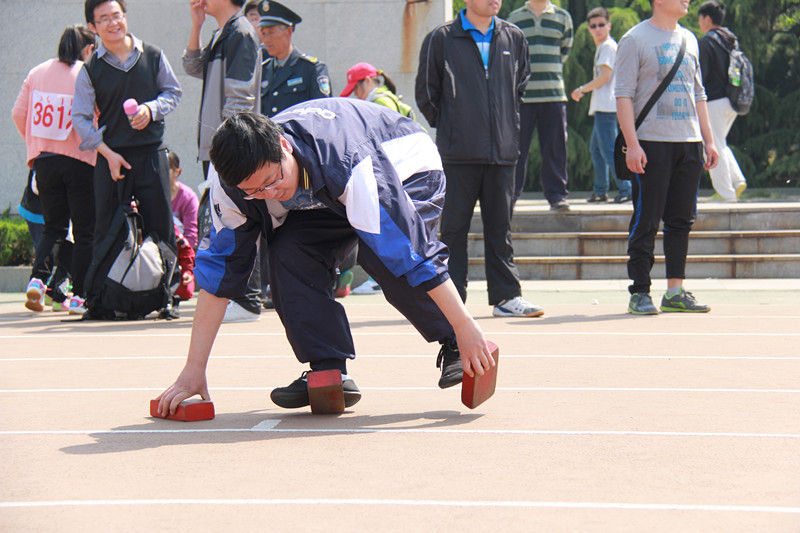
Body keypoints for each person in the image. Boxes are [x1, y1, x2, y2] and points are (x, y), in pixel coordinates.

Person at [155, 99, 496, 415]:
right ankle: (327, 368)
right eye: (254, 191)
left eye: (272, 181)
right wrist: (193, 370)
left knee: (385, 254)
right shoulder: (230, 187)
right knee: (288, 250)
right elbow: (220, 275)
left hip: (403, 165)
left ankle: (453, 341)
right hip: (322, 195)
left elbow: (410, 249)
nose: (268, 194)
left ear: (284, 147)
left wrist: (464, 325)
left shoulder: (345, 161)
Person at [415, 0, 542, 318]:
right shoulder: (442, 38)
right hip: (457, 154)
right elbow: (427, 94)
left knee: (501, 228)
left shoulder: (513, 37)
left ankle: (507, 297)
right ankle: (452, 300)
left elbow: (520, 87)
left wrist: (504, 128)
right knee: (453, 229)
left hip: (503, 152)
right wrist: (455, 127)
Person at [73, 0, 182, 319]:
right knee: (106, 226)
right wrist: (106, 153)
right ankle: (101, 301)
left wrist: (151, 110)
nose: (112, 23)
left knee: (161, 224)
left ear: (125, 17)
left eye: (116, 16)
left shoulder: (153, 55)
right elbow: (79, 118)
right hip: (111, 158)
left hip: (151, 154)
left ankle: (166, 298)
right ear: (92, 27)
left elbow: (172, 93)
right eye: (103, 19)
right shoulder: (90, 69)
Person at [615, 0, 719, 315]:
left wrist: (709, 140)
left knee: (682, 219)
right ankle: (640, 291)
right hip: (650, 142)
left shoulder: (690, 40)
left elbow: (698, 93)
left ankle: (675, 290)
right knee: (647, 218)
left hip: (688, 142)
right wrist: (632, 145)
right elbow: (623, 95)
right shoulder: (634, 39)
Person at [183, 0, 263, 323]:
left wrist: (226, 149)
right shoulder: (223, 33)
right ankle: (241, 299)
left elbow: (241, 98)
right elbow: (191, 66)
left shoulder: (241, 32)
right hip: (219, 148)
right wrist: (196, 25)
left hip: (231, 148)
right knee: (227, 219)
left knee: (239, 218)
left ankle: (248, 300)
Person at [12, 25, 97, 315]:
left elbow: (18, 113)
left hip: (44, 161)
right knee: (84, 231)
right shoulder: (86, 74)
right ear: (87, 48)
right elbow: (96, 118)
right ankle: (79, 296)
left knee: (53, 227)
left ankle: (37, 279)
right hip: (79, 160)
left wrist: (36, 144)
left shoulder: (37, 72)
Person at [340, 61, 416, 295]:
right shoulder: (388, 98)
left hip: (393, 170)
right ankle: (384, 276)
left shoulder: (379, 102)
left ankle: (381, 277)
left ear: (368, 81)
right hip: (403, 168)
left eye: (357, 87)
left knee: (384, 223)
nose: (356, 94)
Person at [508, 0, 573, 211]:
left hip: (554, 93)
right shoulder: (515, 18)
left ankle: (557, 196)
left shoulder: (563, 17)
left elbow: (565, 51)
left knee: (555, 148)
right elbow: (510, 53)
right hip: (522, 95)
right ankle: (510, 194)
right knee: (516, 149)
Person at [570, 7, 632, 204]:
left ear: (609, 26)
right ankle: (600, 190)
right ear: (589, 29)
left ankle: (626, 189)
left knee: (608, 151)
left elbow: (605, 77)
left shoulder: (607, 47)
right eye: (593, 26)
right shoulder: (604, 47)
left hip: (607, 107)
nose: (597, 29)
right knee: (596, 151)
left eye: (601, 25)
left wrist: (582, 89)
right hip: (603, 107)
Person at [698, 0, 747, 203]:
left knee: (712, 144)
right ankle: (737, 181)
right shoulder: (730, 40)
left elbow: (701, 75)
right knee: (720, 142)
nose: (700, 23)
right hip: (732, 100)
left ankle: (726, 194)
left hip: (713, 102)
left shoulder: (707, 42)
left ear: (707, 19)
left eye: (700, 19)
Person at [257, 0, 331, 117]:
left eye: (271, 32)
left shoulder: (311, 68)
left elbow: (322, 113)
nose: (266, 39)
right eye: (264, 33)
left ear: (289, 31)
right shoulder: (262, 70)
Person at [167, 150, 198, 304]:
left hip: (182, 255)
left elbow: (191, 236)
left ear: (177, 172)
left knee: (184, 291)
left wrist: (186, 267)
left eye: (167, 169)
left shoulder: (188, 196)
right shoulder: (151, 196)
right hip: (157, 255)